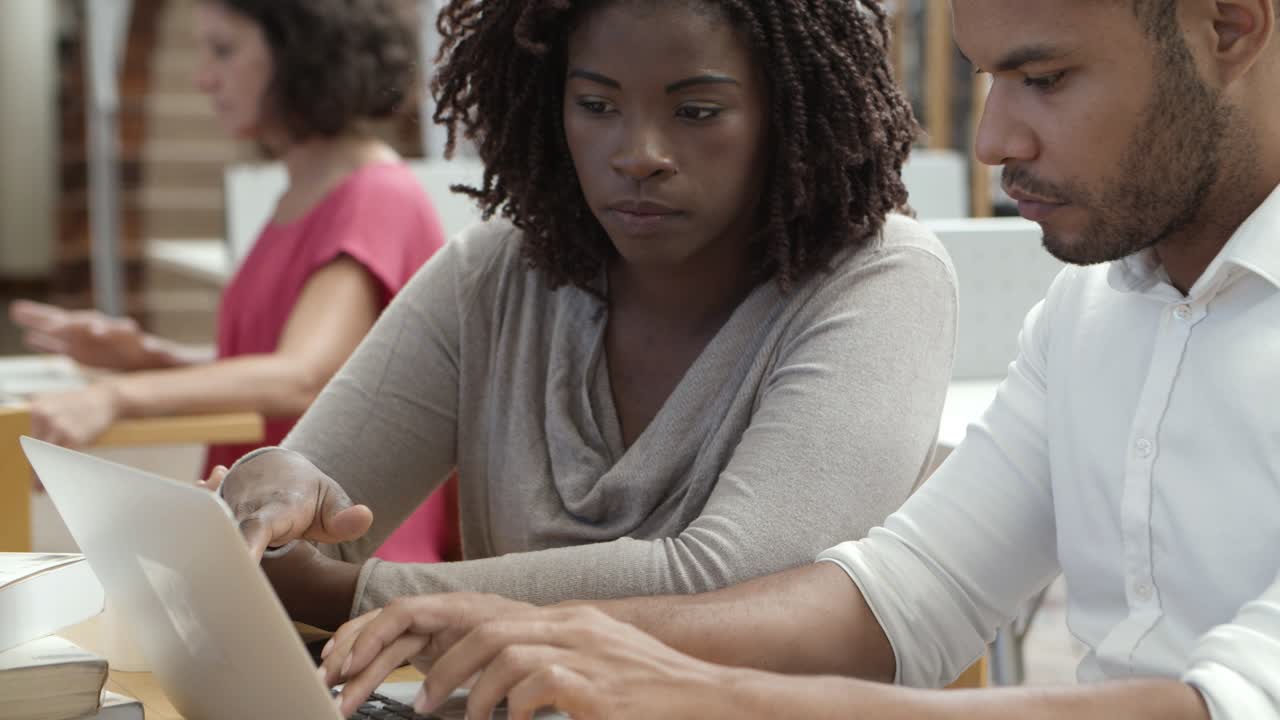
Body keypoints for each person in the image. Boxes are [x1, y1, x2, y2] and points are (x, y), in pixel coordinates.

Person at [313, 0, 1280, 718]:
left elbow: (1227, 703)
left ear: (1230, 27)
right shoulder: (1089, 308)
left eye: (1046, 79)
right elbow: (900, 599)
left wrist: (717, 694)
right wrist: (550, 635)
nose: (992, 139)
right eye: (987, 81)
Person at [211, 0, 959, 634]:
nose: (639, 154)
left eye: (697, 111)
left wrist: (356, 599)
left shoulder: (883, 280)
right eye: (596, 106)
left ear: (790, 111)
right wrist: (267, 492)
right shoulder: (494, 276)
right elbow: (304, 536)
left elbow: (740, 582)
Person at [10, 0, 458, 563]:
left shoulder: (376, 196)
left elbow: (303, 376)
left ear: (302, 53)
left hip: (338, 562)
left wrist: (114, 396)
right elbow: (298, 363)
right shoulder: (303, 195)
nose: (203, 77)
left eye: (224, 50)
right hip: (273, 543)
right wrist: (151, 358)